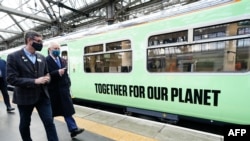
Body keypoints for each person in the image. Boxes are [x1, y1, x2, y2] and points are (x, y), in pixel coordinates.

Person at [6, 30, 59, 141]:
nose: (41, 43)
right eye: (38, 41)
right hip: (25, 98)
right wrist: (34, 81)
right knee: (25, 124)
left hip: (42, 96)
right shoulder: (13, 57)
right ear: (29, 40)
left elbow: (46, 73)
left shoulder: (41, 57)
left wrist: (47, 78)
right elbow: (11, 79)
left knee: (49, 122)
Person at [46, 42, 84, 138]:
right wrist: (57, 72)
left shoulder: (63, 60)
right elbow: (46, 74)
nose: (57, 50)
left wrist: (68, 84)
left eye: (58, 48)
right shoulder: (45, 60)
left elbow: (66, 74)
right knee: (51, 113)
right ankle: (50, 131)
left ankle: (73, 129)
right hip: (53, 91)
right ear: (50, 49)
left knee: (67, 110)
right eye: (55, 48)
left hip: (63, 90)